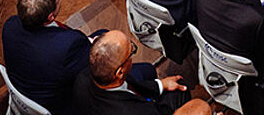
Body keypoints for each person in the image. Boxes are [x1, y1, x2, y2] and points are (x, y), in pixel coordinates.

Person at [2, 0, 92, 115]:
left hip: (25, 94)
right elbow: (93, 66)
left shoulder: (10, 26)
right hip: (61, 106)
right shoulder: (67, 46)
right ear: (50, 17)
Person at [72, 30, 211, 115]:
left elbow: (129, 85)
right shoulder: (136, 111)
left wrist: (160, 85)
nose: (133, 51)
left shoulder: (85, 76)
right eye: (131, 50)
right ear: (120, 72)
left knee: (175, 86)